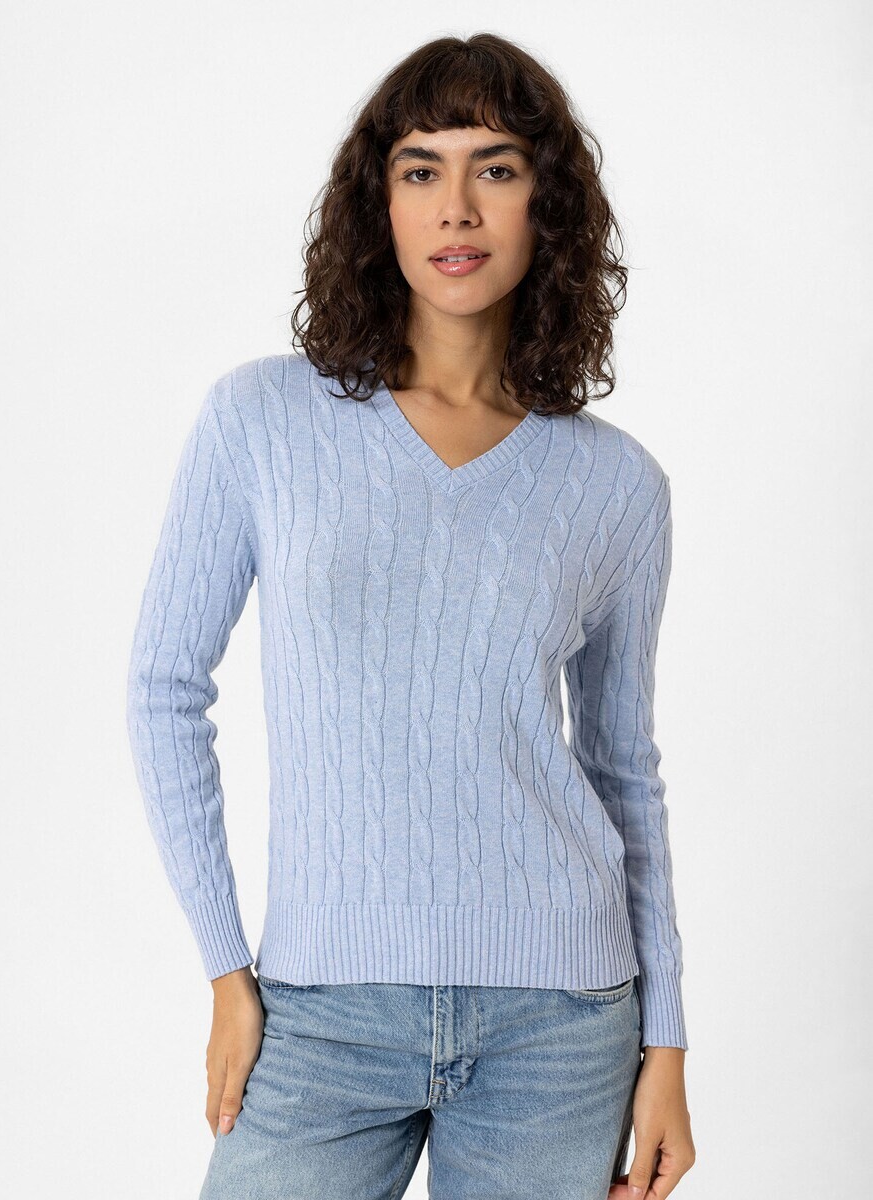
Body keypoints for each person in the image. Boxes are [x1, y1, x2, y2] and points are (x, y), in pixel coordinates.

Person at [126, 31, 696, 1200]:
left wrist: (669, 1044)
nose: (457, 208)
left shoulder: (617, 485)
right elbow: (162, 689)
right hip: (320, 1010)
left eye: (498, 168)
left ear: (547, 205)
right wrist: (227, 970)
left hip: (560, 1024)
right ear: (377, 202)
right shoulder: (262, 422)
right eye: (421, 169)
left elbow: (622, 767)